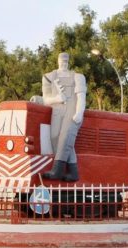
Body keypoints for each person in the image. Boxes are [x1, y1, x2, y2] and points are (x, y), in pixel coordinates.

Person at [41, 52, 87, 181]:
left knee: (65, 137)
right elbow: (45, 99)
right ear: (57, 61)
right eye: (61, 61)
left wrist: (79, 112)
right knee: (55, 137)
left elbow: (81, 97)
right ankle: (73, 172)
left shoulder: (78, 77)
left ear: (68, 62)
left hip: (72, 110)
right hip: (56, 110)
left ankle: (58, 170)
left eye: (66, 61)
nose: (63, 63)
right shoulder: (48, 77)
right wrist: (56, 98)